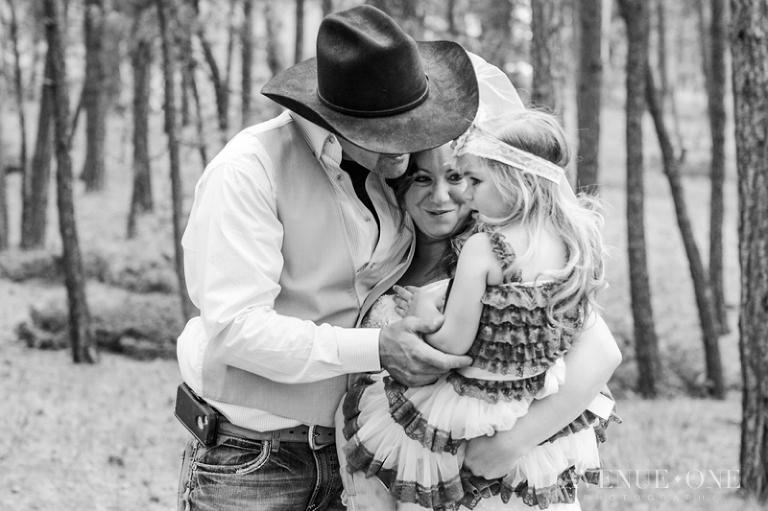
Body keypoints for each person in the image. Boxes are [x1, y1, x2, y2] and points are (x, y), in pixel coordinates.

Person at [175, 6, 480, 511]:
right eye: (389, 133)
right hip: (254, 461)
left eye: (415, 125)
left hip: (367, 459)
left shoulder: (401, 178)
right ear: (335, 121)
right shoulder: (248, 171)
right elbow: (237, 330)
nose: (409, 145)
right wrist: (378, 348)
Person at [339, 109, 621, 511]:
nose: (445, 195)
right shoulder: (377, 262)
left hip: (485, 452)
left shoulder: (494, 250)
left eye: (460, 178)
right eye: (422, 178)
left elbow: (601, 353)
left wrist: (511, 443)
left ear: (505, 179)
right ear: (397, 186)